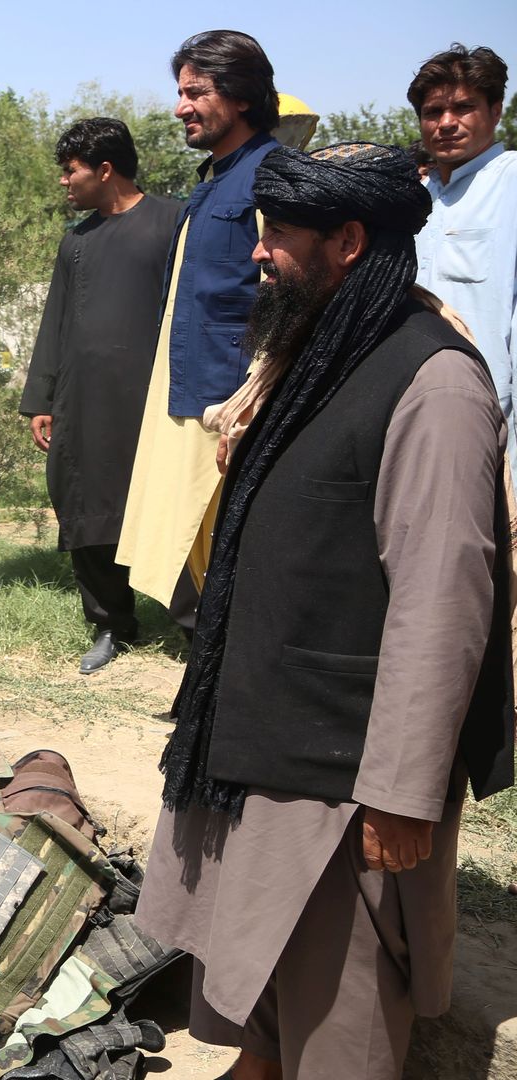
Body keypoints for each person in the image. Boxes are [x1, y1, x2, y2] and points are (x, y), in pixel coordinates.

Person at [138, 142, 514, 1080]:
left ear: (348, 240)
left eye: (278, 236)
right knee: (263, 941)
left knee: (341, 1004)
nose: (258, 253)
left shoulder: (435, 385)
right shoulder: (318, 354)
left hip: (347, 769)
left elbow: (444, 601)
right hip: (272, 728)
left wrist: (401, 789)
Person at [116, 30, 281, 629]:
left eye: (195, 92)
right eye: (180, 92)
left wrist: (254, 403)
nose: (180, 106)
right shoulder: (212, 180)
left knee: (230, 549)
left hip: (227, 400)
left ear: (239, 96)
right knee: (193, 549)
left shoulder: (272, 176)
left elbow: (284, 302)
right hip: (187, 392)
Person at [21, 119, 185, 673]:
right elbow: (56, 323)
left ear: (106, 170)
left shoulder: (174, 223)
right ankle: (113, 622)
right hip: (84, 399)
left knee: (170, 505)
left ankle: (198, 624)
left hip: (156, 397)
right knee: (83, 499)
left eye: (71, 171)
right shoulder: (77, 241)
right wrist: (41, 399)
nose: (64, 182)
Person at [410, 46, 516, 464]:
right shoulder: (417, 198)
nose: (446, 123)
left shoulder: (509, 184)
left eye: (464, 107)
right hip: (414, 402)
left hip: (490, 414)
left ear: (495, 111)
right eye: (433, 111)